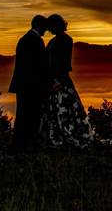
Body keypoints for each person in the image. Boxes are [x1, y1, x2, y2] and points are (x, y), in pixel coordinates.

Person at [40, 14, 94, 148]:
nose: (48, 29)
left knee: (64, 110)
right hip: (53, 81)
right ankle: (56, 136)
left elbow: (64, 63)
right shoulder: (53, 41)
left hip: (61, 81)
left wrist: (59, 81)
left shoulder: (66, 40)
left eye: (50, 26)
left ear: (56, 24)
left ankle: (67, 136)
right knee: (55, 110)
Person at [8, 14, 50, 151]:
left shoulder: (24, 39)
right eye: (45, 27)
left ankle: (20, 144)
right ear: (40, 26)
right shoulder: (35, 41)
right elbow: (39, 65)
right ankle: (27, 146)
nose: (46, 30)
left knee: (22, 115)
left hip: (23, 85)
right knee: (31, 116)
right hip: (32, 86)